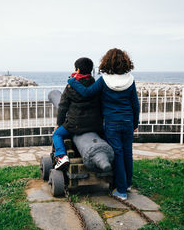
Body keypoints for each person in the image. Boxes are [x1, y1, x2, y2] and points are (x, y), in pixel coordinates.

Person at [68, 48, 139, 200]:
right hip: (127, 121)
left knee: (118, 154)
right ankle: (127, 184)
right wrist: (135, 122)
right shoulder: (130, 79)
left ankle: (121, 191)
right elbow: (135, 104)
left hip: (112, 122)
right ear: (125, 61)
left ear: (106, 62)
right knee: (128, 152)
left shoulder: (104, 80)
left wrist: (73, 81)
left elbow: (87, 92)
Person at [53, 57, 103, 170]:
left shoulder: (71, 86)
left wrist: (59, 124)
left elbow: (62, 107)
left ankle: (62, 156)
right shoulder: (96, 85)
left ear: (78, 70)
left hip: (75, 124)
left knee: (57, 134)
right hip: (95, 124)